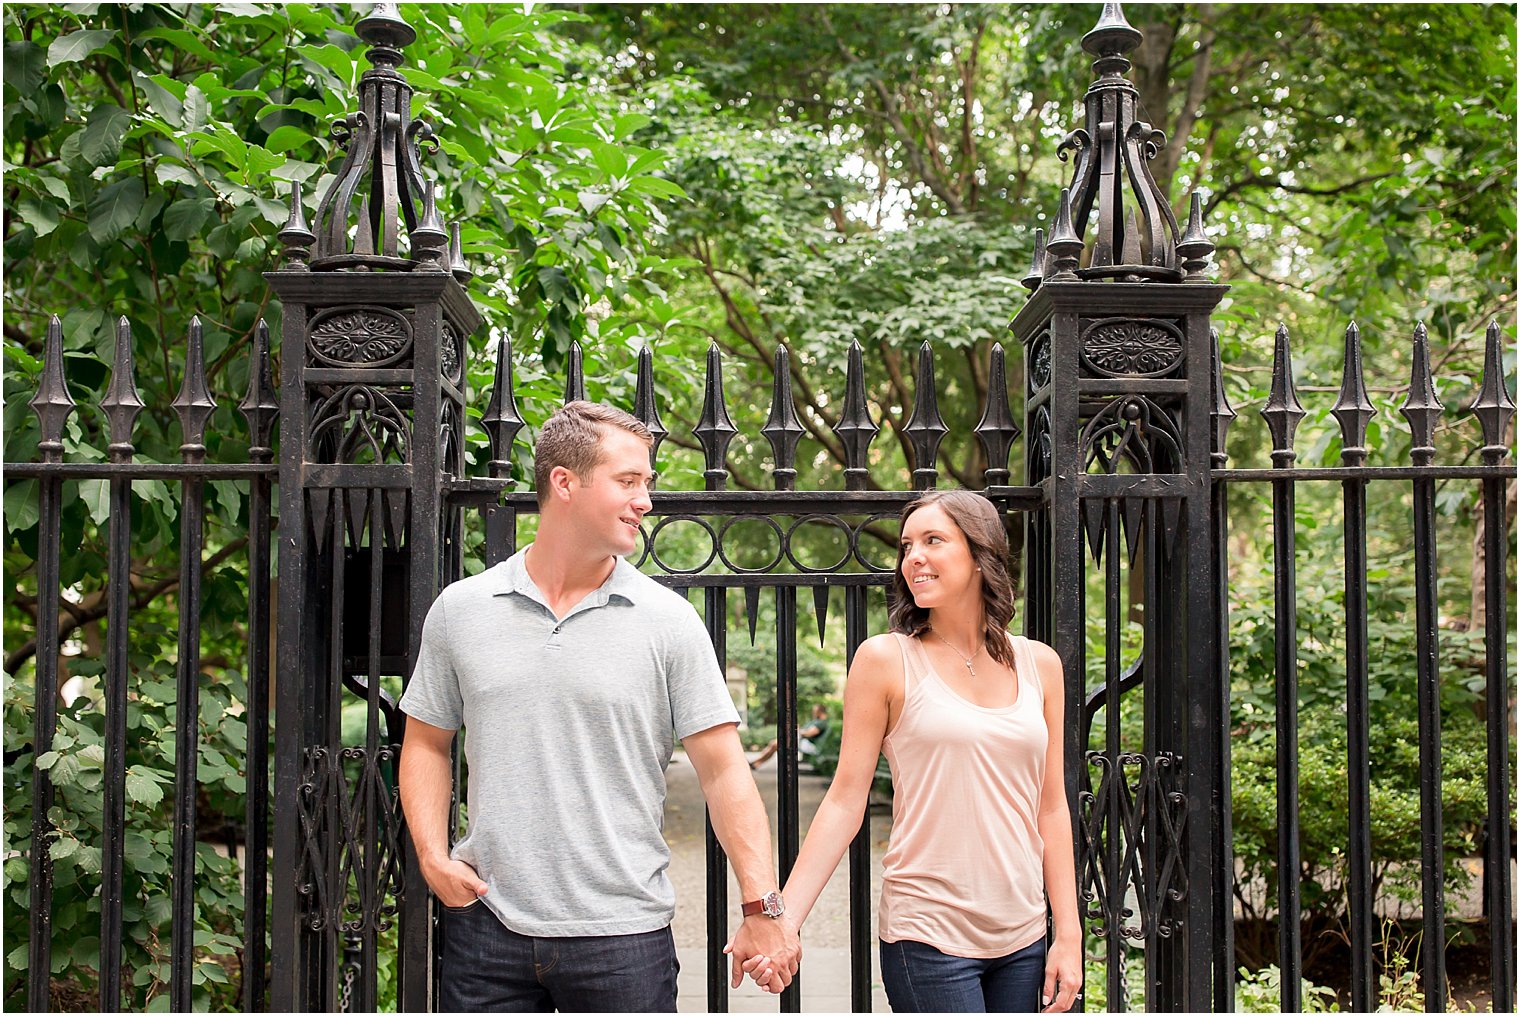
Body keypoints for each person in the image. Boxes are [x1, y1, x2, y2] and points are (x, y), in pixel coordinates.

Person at [398, 401, 798, 1011]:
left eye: (648, 483)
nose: (646, 501)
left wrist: (760, 905)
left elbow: (724, 773)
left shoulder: (669, 621)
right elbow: (426, 741)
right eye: (628, 481)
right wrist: (431, 856)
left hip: (623, 939)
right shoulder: (461, 609)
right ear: (565, 482)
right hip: (486, 927)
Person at [748, 489, 1081, 1012]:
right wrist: (784, 917)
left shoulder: (1041, 666)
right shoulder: (886, 659)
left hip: (1024, 936)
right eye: (906, 546)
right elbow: (844, 801)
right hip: (927, 934)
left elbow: (1052, 807)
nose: (913, 558)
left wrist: (1068, 934)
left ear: (980, 555)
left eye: (933, 540)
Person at [749, 702, 831, 769]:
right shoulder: (816, 721)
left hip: (807, 744)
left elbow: (809, 733)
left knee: (775, 744)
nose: (813, 712)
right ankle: (757, 763)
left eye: (815, 711)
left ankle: (756, 762)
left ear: (820, 711)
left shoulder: (821, 722)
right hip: (801, 741)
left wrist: (796, 730)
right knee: (774, 743)